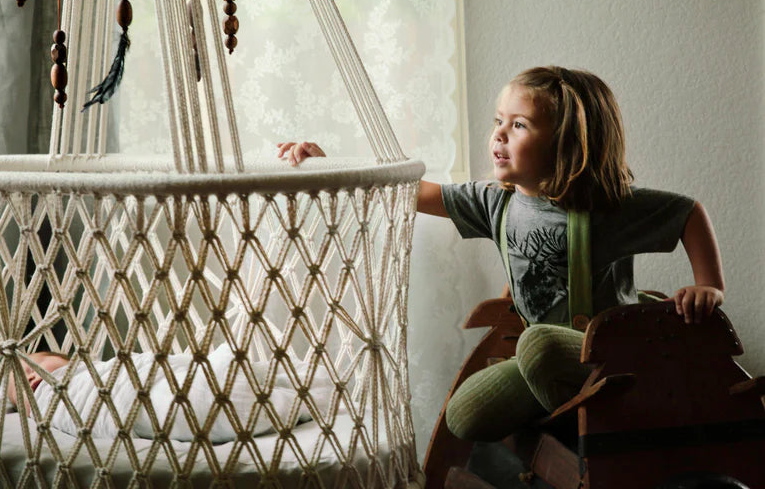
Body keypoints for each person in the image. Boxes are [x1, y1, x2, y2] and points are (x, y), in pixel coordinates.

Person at [277, 65, 724, 441]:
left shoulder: (606, 208)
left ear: (566, 142)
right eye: (498, 121)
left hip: (611, 353)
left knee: (538, 343)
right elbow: (405, 190)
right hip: (548, 358)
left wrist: (708, 284)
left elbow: (687, 213)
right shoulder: (496, 201)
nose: (499, 135)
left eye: (520, 125)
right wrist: (329, 163)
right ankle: (572, 408)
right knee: (464, 416)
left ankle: (601, 426)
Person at [7, 344, 334, 442]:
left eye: (31, 366)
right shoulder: (51, 408)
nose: (27, 379)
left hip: (141, 386)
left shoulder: (93, 371)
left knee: (194, 381)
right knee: (188, 406)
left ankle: (297, 385)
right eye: (16, 389)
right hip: (131, 410)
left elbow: (140, 368)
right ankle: (297, 401)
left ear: (71, 361)